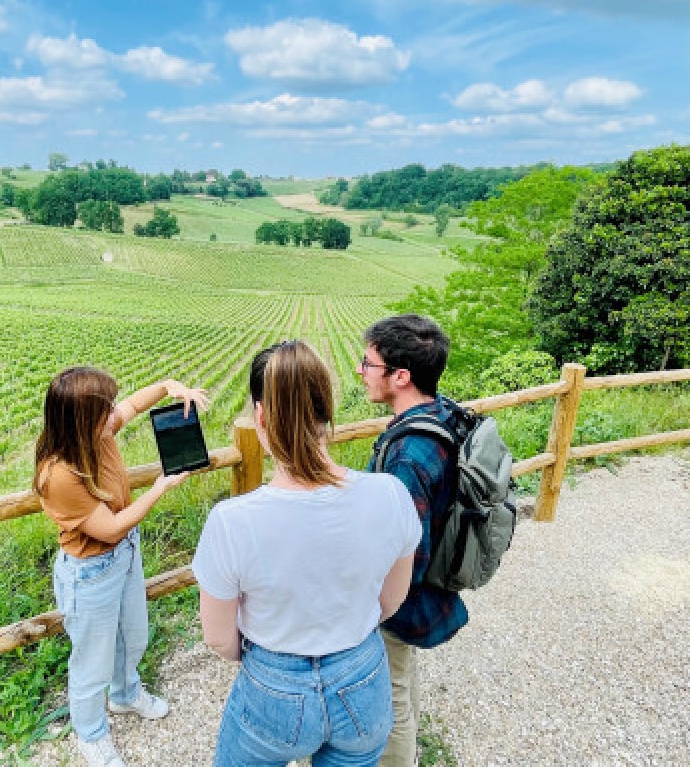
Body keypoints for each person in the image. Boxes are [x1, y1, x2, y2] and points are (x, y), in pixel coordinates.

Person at [193, 340, 421, 767]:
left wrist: (271, 661)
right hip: (363, 676)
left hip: (274, 684)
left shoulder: (231, 521)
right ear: (327, 409)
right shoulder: (390, 494)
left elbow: (219, 637)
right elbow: (390, 601)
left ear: (260, 416)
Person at [35, 367, 209, 767]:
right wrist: (161, 486)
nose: (115, 413)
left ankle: (126, 694)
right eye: (104, 409)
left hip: (124, 556)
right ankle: (91, 734)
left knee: (133, 635)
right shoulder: (60, 474)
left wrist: (170, 387)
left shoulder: (96, 432)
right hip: (90, 572)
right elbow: (110, 528)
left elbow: (132, 404)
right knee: (91, 661)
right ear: (82, 420)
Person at [355, 315, 470, 767]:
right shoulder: (441, 413)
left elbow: (407, 556)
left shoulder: (408, 456)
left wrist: (373, 604)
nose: (362, 372)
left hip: (405, 600)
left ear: (400, 377)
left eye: (368, 364)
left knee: (391, 701)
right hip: (430, 591)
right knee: (402, 682)